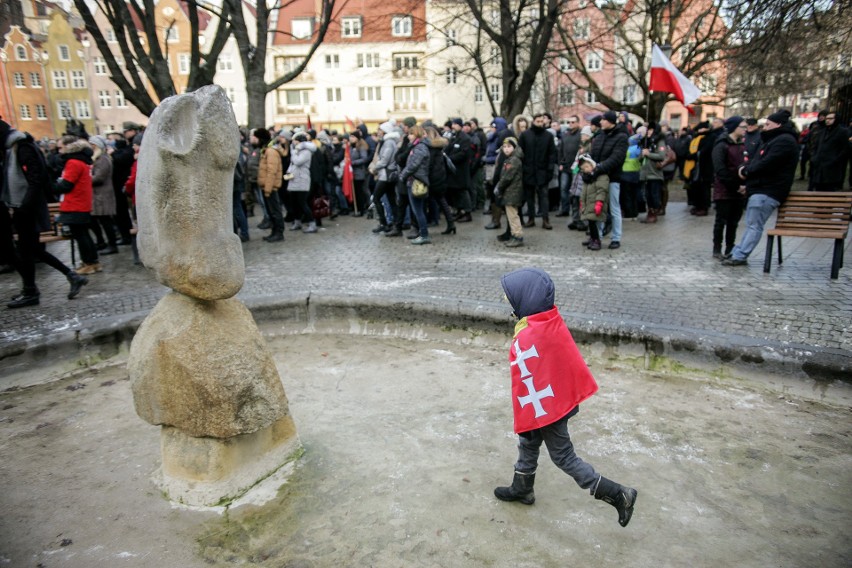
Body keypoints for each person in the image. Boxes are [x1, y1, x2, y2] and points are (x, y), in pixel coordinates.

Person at [494, 267, 638, 527]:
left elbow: (526, 379)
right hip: (550, 402)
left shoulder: (530, 333)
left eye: (512, 298)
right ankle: (522, 487)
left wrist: (529, 412)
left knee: (563, 457)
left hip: (548, 406)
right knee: (528, 441)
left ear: (527, 299)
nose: (509, 303)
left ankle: (618, 494)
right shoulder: (546, 322)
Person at [1, 120, 87, 308]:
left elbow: (36, 178)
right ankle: (59, 280)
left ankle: (33, 290)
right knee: (30, 249)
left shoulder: (23, 148)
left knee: (28, 249)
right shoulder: (13, 149)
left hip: (26, 207)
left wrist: (23, 206)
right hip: (22, 205)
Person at [722, 110, 799, 267]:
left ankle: (740, 255)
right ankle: (738, 252)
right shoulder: (773, 139)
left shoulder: (784, 141)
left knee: (754, 225)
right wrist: (745, 168)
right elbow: (755, 159)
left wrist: (747, 171)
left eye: (768, 124)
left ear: (778, 124)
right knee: (752, 223)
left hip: (768, 190)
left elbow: (767, 164)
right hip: (761, 189)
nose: (764, 127)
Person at [56, 135, 101, 274]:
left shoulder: (74, 162)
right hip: (81, 202)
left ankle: (89, 262)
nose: (59, 151)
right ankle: (93, 262)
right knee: (83, 234)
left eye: (60, 147)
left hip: (75, 203)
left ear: (69, 147)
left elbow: (66, 185)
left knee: (80, 235)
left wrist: (52, 186)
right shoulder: (81, 161)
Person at [587, 111, 627, 249]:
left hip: (612, 178)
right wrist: (588, 166)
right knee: (598, 208)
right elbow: (593, 155)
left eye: (603, 120)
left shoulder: (621, 137)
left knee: (614, 208)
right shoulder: (599, 137)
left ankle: (616, 237)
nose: (601, 122)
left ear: (610, 121)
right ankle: (596, 236)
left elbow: (616, 158)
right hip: (597, 178)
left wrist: (598, 168)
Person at [711, 117, 747, 259]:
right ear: (734, 127)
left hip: (739, 190)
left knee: (734, 222)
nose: (745, 129)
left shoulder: (742, 145)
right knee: (721, 221)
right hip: (724, 190)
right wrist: (736, 186)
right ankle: (717, 248)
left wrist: (744, 184)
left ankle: (730, 247)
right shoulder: (722, 145)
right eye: (742, 127)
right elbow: (720, 169)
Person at [519, 113, 557, 230]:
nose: (541, 123)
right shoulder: (525, 135)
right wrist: (523, 168)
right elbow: (520, 153)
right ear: (533, 121)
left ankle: (545, 220)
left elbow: (552, 154)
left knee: (544, 197)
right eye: (538, 121)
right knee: (529, 197)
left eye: (542, 121)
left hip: (543, 171)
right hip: (528, 171)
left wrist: (550, 169)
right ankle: (531, 219)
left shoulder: (548, 136)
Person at [398, 124, 432, 245]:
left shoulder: (420, 147)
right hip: (413, 180)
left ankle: (424, 235)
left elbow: (413, 165)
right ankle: (423, 234)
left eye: (411, 133)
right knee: (417, 210)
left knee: (418, 210)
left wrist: (402, 176)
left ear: (416, 134)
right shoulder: (416, 146)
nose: (409, 136)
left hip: (416, 181)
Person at [88, 136, 118, 255]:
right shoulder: (98, 158)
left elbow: (99, 177)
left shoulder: (103, 159)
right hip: (98, 195)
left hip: (103, 194)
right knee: (96, 219)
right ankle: (102, 242)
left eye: (92, 145)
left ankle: (112, 245)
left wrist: (86, 180)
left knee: (106, 221)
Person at [255, 127, 286, 242]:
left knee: (275, 210)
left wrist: (267, 189)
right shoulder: (267, 150)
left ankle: (279, 232)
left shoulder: (271, 152)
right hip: (268, 187)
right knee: (271, 211)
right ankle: (274, 231)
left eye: (257, 138)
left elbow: (271, 171)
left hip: (271, 188)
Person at [494, 137, 525, 247]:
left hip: (512, 192)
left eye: (509, 147)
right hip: (510, 192)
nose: (506, 149)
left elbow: (507, 177)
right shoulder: (510, 159)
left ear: (514, 147)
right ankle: (514, 235)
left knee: (513, 216)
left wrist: (499, 187)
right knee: (511, 215)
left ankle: (517, 236)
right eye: (505, 147)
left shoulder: (514, 160)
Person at [809, 111, 850, 192]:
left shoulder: (842, 132)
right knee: (818, 190)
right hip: (819, 168)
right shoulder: (822, 131)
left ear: (836, 119)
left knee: (829, 191)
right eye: (827, 118)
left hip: (832, 169)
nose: (827, 120)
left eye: (830, 118)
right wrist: (814, 157)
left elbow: (845, 149)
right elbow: (815, 146)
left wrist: (835, 160)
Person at [286, 132, 318, 232]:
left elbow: (297, 161)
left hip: (302, 180)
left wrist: (293, 153)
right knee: (294, 203)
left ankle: (312, 223)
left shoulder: (306, 151)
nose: (293, 143)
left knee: (302, 203)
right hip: (293, 179)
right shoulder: (297, 150)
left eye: (295, 141)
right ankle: (297, 222)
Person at [578, 154, 609, 250]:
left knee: (594, 223)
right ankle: (593, 238)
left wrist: (599, 203)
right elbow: (583, 192)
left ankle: (597, 240)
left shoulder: (601, 176)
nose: (585, 170)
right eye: (583, 169)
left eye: (587, 167)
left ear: (592, 165)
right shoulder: (586, 178)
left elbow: (602, 190)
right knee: (590, 223)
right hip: (588, 204)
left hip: (596, 204)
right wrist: (582, 203)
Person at [445, 118, 473, 223]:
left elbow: (464, 153)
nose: (453, 126)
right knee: (455, 192)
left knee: (462, 192)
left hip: (461, 170)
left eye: (455, 124)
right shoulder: (454, 136)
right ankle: (459, 211)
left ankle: (467, 212)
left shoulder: (465, 138)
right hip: (453, 171)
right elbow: (449, 149)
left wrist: (450, 158)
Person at [638, 123, 666, 224]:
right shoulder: (646, 142)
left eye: (650, 130)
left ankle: (654, 213)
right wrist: (642, 154)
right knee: (647, 195)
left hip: (654, 173)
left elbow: (661, 155)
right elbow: (640, 157)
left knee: (654, 194)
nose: (648, 132)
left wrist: (648, 154)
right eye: (647, 130)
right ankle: (649, 211)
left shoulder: (659, 141)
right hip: (645, 173)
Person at [556, 116, 582, 218]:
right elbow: (560, 151)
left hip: (576, 167)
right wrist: (560, 163)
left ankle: (576, 212)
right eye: (569, 122)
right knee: (563, 189)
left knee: (575, 190)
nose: (570, 124)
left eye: (573, 122)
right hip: (565, 166)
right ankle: (565, 209)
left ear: (578, 123)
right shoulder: (565, 135)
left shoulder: (581, 135)